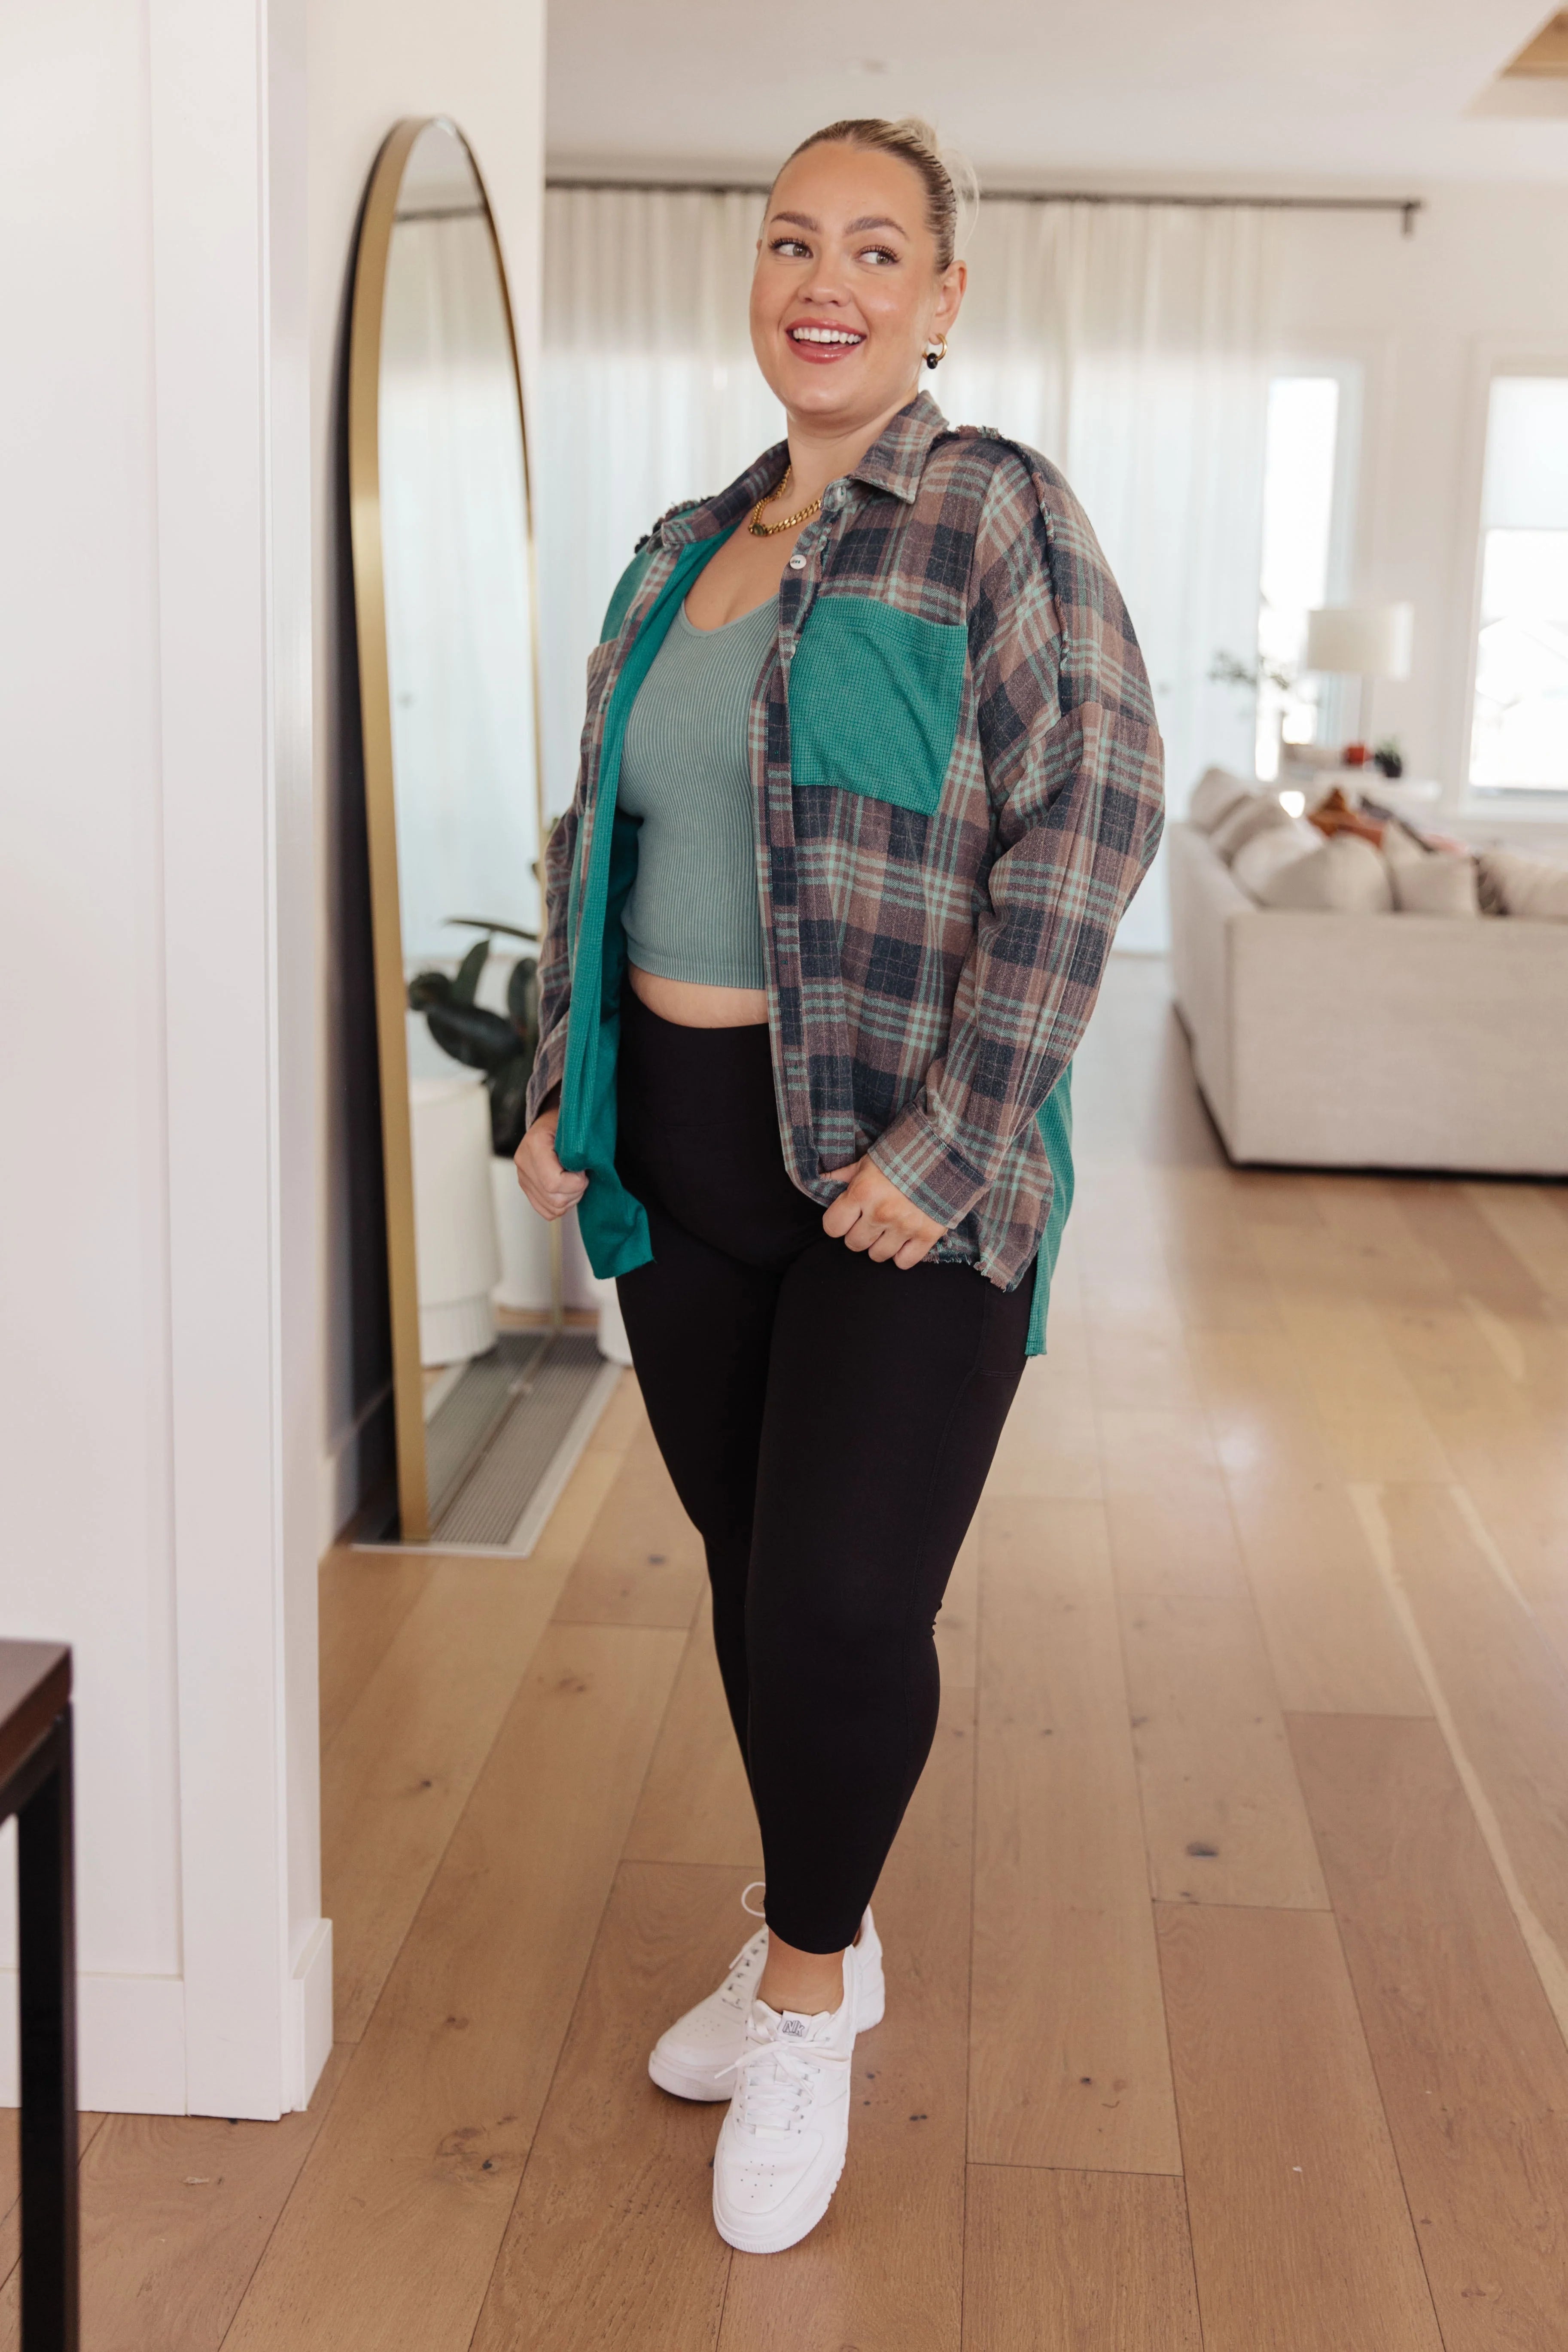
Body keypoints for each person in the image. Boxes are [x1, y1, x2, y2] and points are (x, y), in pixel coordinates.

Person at [515, 115, 1163, 2255]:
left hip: (900, 1174)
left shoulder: (995, 514)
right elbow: (595, 835)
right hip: (680, 1166)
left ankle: (807, 1996)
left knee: (838, 1602)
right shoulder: (674, 549)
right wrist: (561, 1082)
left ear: (942, 297)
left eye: (877, 250)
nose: (828, 281)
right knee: (751, 1575)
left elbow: (1093, 814)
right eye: (795, 241)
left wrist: (959, 1136)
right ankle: (831, 1917)